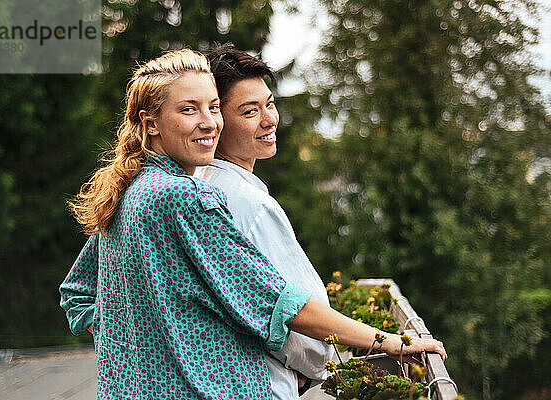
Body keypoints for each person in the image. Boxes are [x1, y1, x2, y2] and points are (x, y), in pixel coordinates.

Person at [59, 48, 447, 400]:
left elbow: (78, 294)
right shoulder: (182, 197)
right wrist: (391, 343)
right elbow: (281, 304)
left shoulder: (129, 189)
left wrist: (139, 345)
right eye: (189, 109)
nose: (209, 122)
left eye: (212, 108)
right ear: (151, 123)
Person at [194, 44, 330, 399]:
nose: (270, 119)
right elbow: (298, 312)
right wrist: (312, 369)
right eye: (250, 111)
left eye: (269, 103)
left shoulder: (191, 187)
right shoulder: (248, 204)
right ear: (216, 119)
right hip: (260, 384)